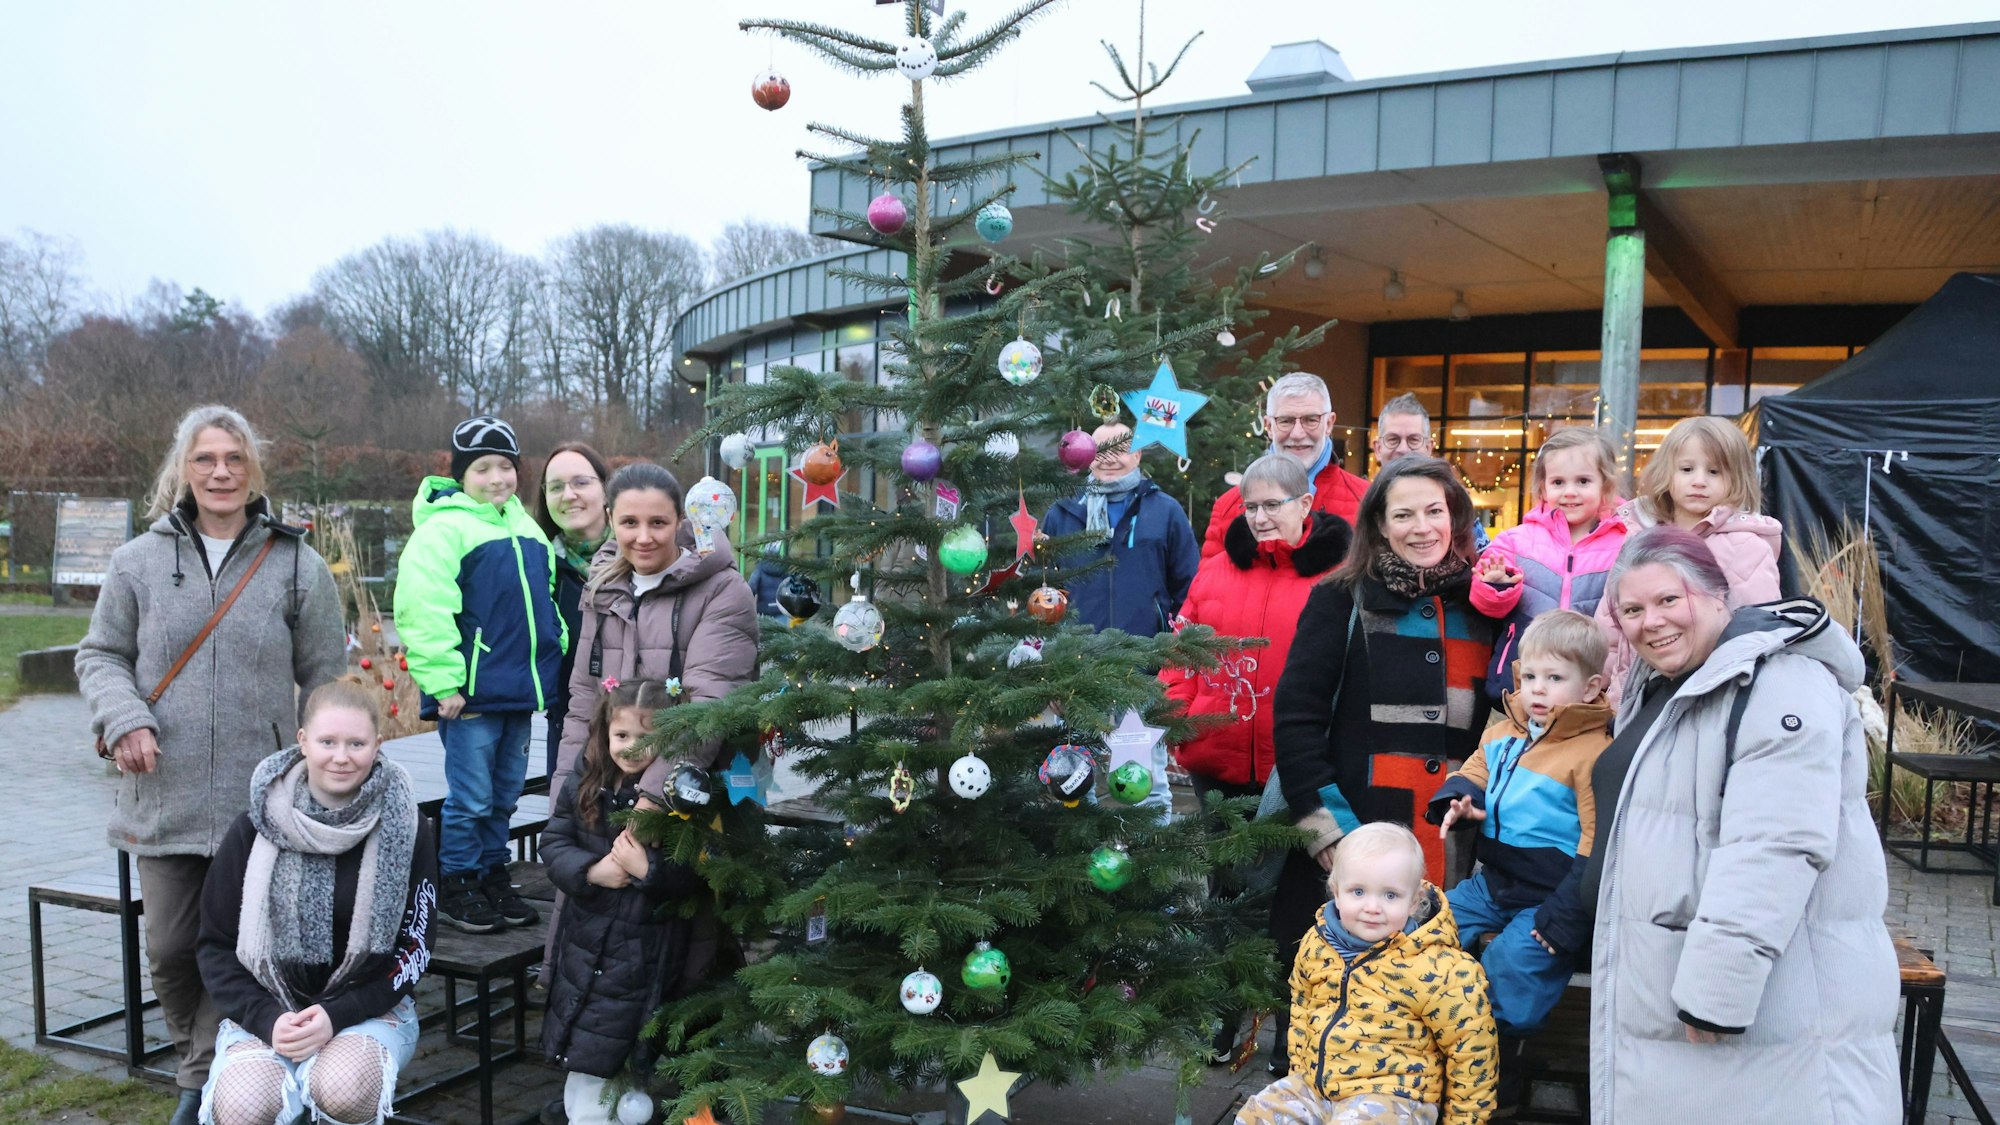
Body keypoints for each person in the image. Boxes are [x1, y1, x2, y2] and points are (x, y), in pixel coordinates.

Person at [77, 404, 344, 1125]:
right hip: (162, 790)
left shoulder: (295, 561)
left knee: (240, 948)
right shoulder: (136, 561)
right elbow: (99, 653)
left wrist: (322, 764)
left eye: (234, 458)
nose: (221, 471)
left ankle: (202, 1083)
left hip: (258, 803)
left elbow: (326, 675)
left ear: (252, 467)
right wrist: (124, 715)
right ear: (182, 470)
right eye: (205, 459)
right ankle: (210, 1066)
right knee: (169, 945)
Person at [1582, 526, 1898, 1124]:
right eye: (1632, 609)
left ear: (1719, 596)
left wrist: (1717, 991)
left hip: (1765, 1004)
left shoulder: (1782, 683)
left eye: (1669, 600)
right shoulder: (1668, 684)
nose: (1651, 622)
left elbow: (1774, 845)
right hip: (1670, 988)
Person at [1267, 456, 1495, 1076]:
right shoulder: (1340, 599)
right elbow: (1297, 718)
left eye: (1435, 511)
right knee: (1331, 1023)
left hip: (1450, 847)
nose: (1422, 527)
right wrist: (1327, 834)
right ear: (1379, 525)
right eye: (1404, 514)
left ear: (1456, 517)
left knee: (1431, 1018)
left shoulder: (1484, 605)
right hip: (1354, 847)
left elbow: (1504, 721)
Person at [195, 676, 434, 1125]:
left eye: (356, 743)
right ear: (303, 741)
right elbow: (215, 945)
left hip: (367, 1008)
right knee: (243, 1108)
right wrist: (266, 1019)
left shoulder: (409, 828)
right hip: (269, 1009)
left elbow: (415, 948)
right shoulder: (252, 828)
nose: (341, 757)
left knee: (344, 1088)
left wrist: (337, 1014)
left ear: (378, 744)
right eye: (327, 741)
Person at [1427, 609, 1612, 1114]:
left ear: (1592, 686)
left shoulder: (1591, 752)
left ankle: (1497, 1055)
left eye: (1555, 678)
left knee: (1517, 960)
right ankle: (1435, 1026)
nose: (1537, 689)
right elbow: (1476, 769)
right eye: (1529, 676)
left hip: (1549, 894)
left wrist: (1566, 913)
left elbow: (1598, 840)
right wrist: (1459, 800)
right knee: (1431, 923)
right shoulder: (1505, 732)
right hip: (1496, 882)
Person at [394, 415, 564, 934]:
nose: (497, 478)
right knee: (470, 796)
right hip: (469, 697)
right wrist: (443, 681)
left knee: (505, 793)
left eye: (506, 467)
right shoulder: (444, 529)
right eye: (483, 468)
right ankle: (457, 879)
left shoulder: (527, 527)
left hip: (519, 690)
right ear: (461, 474)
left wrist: (555, 656)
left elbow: (547, 602)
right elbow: (422, 609)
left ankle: (491, 870)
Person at [1234, 823, 1498, 1125]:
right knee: (1255, 1116)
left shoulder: (1441, 969)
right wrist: (1300, 1074)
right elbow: (1303, 1012)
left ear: (1414, 901)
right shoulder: (1318, 944)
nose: (1372, 907)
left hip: (1394, 1098)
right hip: (1316, 1087)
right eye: (1358, 891)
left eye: (1390, 895)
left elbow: (1473, 1052)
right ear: (1336, 891)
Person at [542, 680, 713, 1125]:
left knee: (627, 1060)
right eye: (622, 736)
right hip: (585, 941)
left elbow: (694, 873)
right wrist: (591, 870)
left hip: (642, 951)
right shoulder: (586, 780)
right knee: (586, 1062)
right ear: (605, 733)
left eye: (646, 738)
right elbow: (555, 842)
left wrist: (648, 871)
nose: (632, 748)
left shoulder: (673, 798)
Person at [554, 461, 760, 795]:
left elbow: (706, 708)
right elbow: (583, 705)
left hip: (692, 799)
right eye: (629, 523)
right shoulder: (602, 589)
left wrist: (649, 805)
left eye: (659, 523)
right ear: (609, 519)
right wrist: (563, 809)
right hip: (608, 795)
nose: (644, 538)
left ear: (681, 520)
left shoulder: (723, 590)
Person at [1596, 416, 1783, 696]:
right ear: (1667, 473)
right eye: (1686, 469)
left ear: (1737, 478)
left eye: (1714, 472)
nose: (1699, 481)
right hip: (1630, 695)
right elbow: (1611, 618)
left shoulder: (1746, 546)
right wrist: (1596, 678)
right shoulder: (1639, 537)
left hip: (1704, 693)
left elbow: (1758, 630)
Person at [1470, 426, 1626, 700]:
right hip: (1522, 675)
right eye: (1558, 483)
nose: (1570, 492)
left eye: (1583, 481)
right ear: (1542, 487)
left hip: (1591, 673)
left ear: (1606, 485)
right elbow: (1485, 605)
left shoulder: (1625, 543)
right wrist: (1497, 586)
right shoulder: (1515, 541)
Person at [1039, 420, 1200, 637]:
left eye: (1119, 450)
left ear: (1137, 455)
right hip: (1077, 658)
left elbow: (1189, 587)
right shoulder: (1062, 512)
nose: (1109, 459)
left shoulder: (1166, 511)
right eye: (1100, 450)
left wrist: (1172, 645)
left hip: (1149, 658)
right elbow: (1041, 584)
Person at [1201, 373, 1368, 558]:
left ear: (1329, 424)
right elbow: (1210, 583)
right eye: (1285, 421)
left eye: (1311, 420)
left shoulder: (1367, 500)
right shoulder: (1228, 506)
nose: (1297, 433)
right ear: (1269, 426)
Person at [533, 441, 612, 778]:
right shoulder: (536, 567)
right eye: (556, 487)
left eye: (581, 482)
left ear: (607, 490)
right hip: (568, 729)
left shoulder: (643, 557)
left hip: (643, 728)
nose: (568, 495)